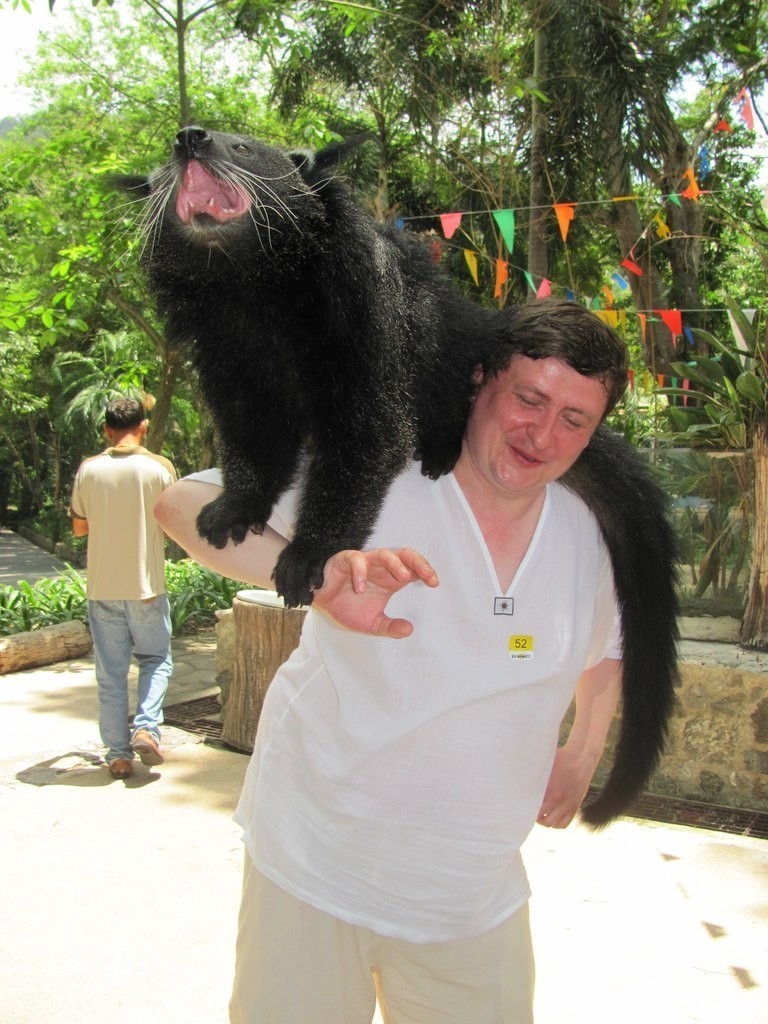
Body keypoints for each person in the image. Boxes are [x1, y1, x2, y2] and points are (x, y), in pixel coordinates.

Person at [155, 298, 629, 1022]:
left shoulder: (590, 534)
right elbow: (182, 504)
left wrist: (583, 748)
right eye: (529, 399)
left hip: (472, 896)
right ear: (480, 380)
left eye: (574, 419)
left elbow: (612, 642)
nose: (543, 435)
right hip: (311, 867)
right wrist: (318, 578)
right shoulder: (376, 476)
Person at [70, 396, 177, 780]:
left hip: (102, 588)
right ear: (143, 427)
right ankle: (146, 728)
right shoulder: (159, 469)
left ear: (106, 431)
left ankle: (118, 756)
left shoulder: (88, 470)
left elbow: (79, 527)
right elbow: (174, 524)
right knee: (156, 659)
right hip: (146, 587)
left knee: (111, 674)